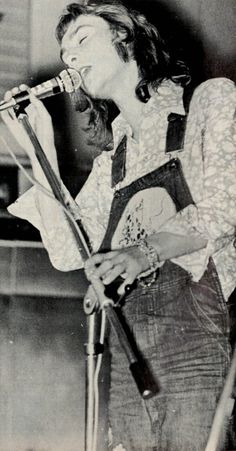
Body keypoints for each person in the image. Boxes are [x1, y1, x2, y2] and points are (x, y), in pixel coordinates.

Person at [1, 1, 236, 450]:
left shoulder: (209, 100)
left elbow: (226, 208)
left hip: (195, 345)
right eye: (65, 52)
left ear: (126, 38)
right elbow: (71, 253)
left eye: (82, 40)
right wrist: (42, 151)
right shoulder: (114, 160)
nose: (70, 58)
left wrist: (140, 253)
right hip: (130, 352)